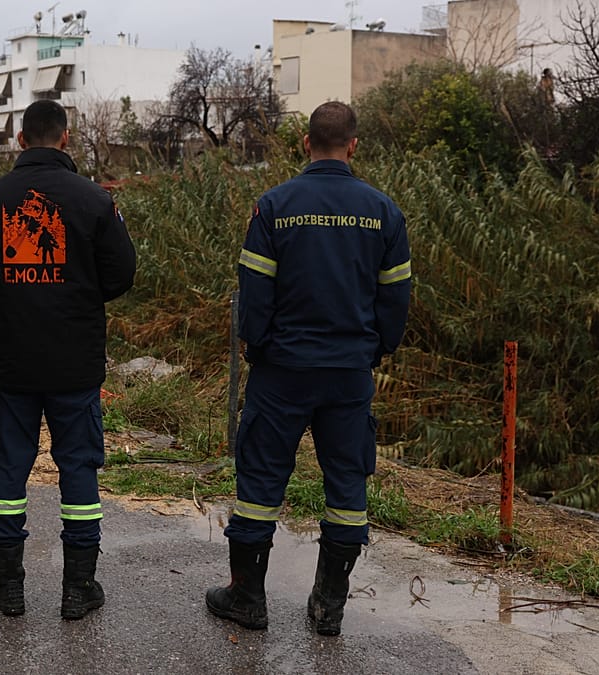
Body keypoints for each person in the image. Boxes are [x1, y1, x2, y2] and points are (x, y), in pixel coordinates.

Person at [206, 101, 411, 636]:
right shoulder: (384, 212)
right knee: (347, 484)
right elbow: (396, 300)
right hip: (349, 373)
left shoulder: (274, 206)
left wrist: (260, 349)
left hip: (282, 370)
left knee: (259, 482)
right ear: (353, 146)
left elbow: (254, 294)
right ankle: (328, 607)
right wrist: (374, 350)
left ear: (305, 143)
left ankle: (247, 599)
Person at [0, 99, 136, 620]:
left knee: (8, 469)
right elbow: (122, 273)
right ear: (65, 137)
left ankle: (8, 585)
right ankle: (78, 588)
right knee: (78, 468)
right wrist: (77, 289)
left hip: (9, 362)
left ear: (20, 140)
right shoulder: (95, 200)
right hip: (73, 363)